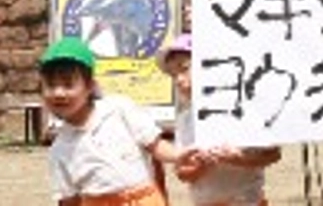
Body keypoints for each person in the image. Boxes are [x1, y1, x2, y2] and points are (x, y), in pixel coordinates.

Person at [40, 36, 194, 206]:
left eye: (68, 84)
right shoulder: (60, 149)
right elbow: (69, 200)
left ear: (90, 86)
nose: (59, 93)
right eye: (50, 85)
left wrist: (180, 155)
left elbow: (155, 146)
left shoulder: (119, 109)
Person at [158, 34, 282, 206]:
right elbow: (181, 173)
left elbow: (273, 154)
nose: (179, 80)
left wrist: (237, 158)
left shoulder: (242, 107)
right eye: (173, 75)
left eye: (184, 68)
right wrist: (197, 167)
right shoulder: (185, 119)